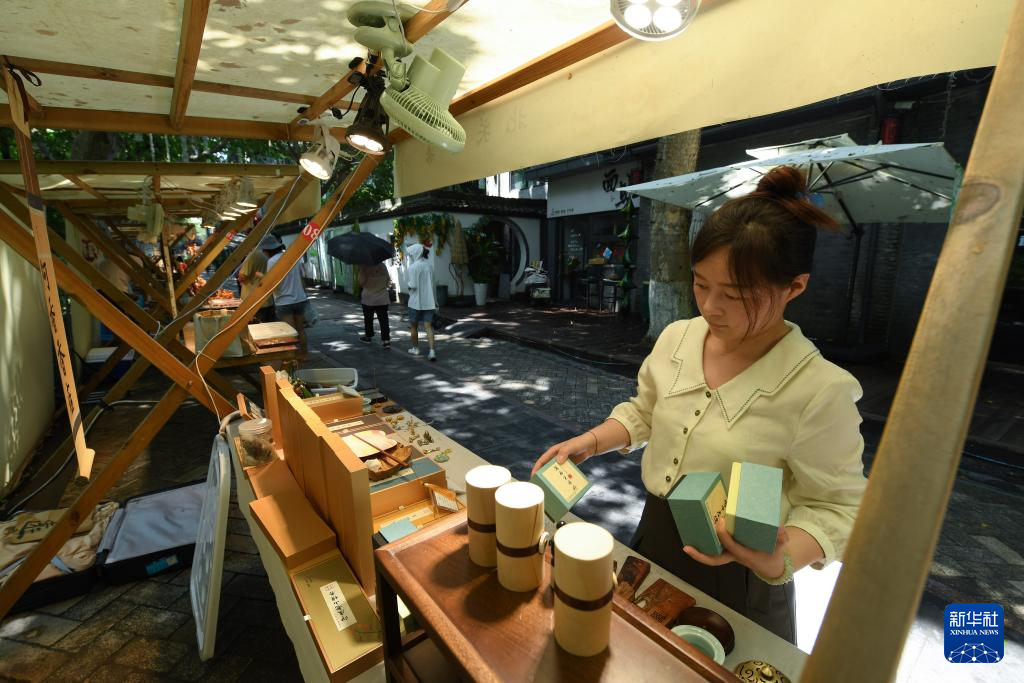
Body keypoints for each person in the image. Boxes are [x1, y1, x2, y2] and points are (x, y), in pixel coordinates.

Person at [531, 167, 867, 644]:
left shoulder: (820, 389)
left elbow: (840, 508)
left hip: (743, 573)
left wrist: (780, 556)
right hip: (654, 538)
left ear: (794, 287)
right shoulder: (678, 338)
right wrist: (591, 441)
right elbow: (645, 412)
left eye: (736, 294)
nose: (711, 307)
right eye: (701, 284)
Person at [266, 237, 309, 358]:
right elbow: (301, 277)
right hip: (300, 298)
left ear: (268, 250)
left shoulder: (272, 261)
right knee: (300, 329)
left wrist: (261, 278)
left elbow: (273, 282)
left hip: (284, 300)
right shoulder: (293, 256)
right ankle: (305, 355)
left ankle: (293, 357)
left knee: (290, 332)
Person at [404, 243, 437, 361]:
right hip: (429, 301)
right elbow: (433, 285)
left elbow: (413, 285)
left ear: (415, 253)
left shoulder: (412, 267)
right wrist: (436, 302)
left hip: (415, 302)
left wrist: (408, 285)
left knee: (414, 326)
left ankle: (416, 348)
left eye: (410, 254)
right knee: (429, 326)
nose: (410, 256)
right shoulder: (429, 266)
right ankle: (432, 351)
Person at [237, 234, 279, 323]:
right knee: (270, 325)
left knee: (256, 327)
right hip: (269, 298)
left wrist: (240, 277)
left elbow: (242, 277)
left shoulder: (253, 255)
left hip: (253, 300)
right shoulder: (273, 255)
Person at [358, 262, 392, 348]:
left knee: (368, 319)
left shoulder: (364, 266)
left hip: (368, 298)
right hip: (382, 298)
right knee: (384, 320)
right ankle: (386, 340)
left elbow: (361, 282)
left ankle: (368, 337)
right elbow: (388, 280)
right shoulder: (383, 266)